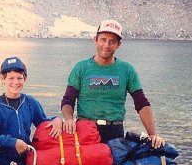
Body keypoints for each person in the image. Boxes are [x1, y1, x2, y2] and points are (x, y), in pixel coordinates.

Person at [60, 19, 164, 148]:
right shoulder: (81, 67)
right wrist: (69, 119)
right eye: (103, 40)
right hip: (85, 130)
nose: (106, 45)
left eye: (112, 42)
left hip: (115, 132)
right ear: (95, 40)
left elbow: (141, 103)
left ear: (118, 45)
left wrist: (152, 134)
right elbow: (68, 100)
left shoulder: (127, 70)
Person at [0, 56, 63, 165]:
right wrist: (13, 142)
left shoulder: (30, 102)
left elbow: (42, 122)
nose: (16, 82)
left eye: (19, 78)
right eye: (11, 78)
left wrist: (57, 120)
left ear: (25, 79)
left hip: (26, 163)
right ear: (2, 79)